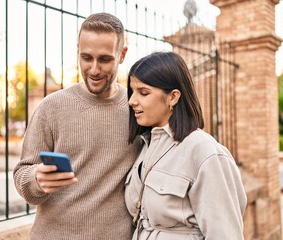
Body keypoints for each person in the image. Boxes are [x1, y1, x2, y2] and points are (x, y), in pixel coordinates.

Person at [13, 12, 141, 240]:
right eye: (86, 58)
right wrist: (36, 179)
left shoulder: (137, 109)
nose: (93, 69)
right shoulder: (51, 107)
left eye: (104, 59)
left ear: (122, 55)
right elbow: (22, 174)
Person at [124, 51, 247, 240]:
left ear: (173, 97)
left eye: (143, 92)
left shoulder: (204, 151)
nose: (132, 101)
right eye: (132, 92)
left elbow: (225, 234)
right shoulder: (145, 146)